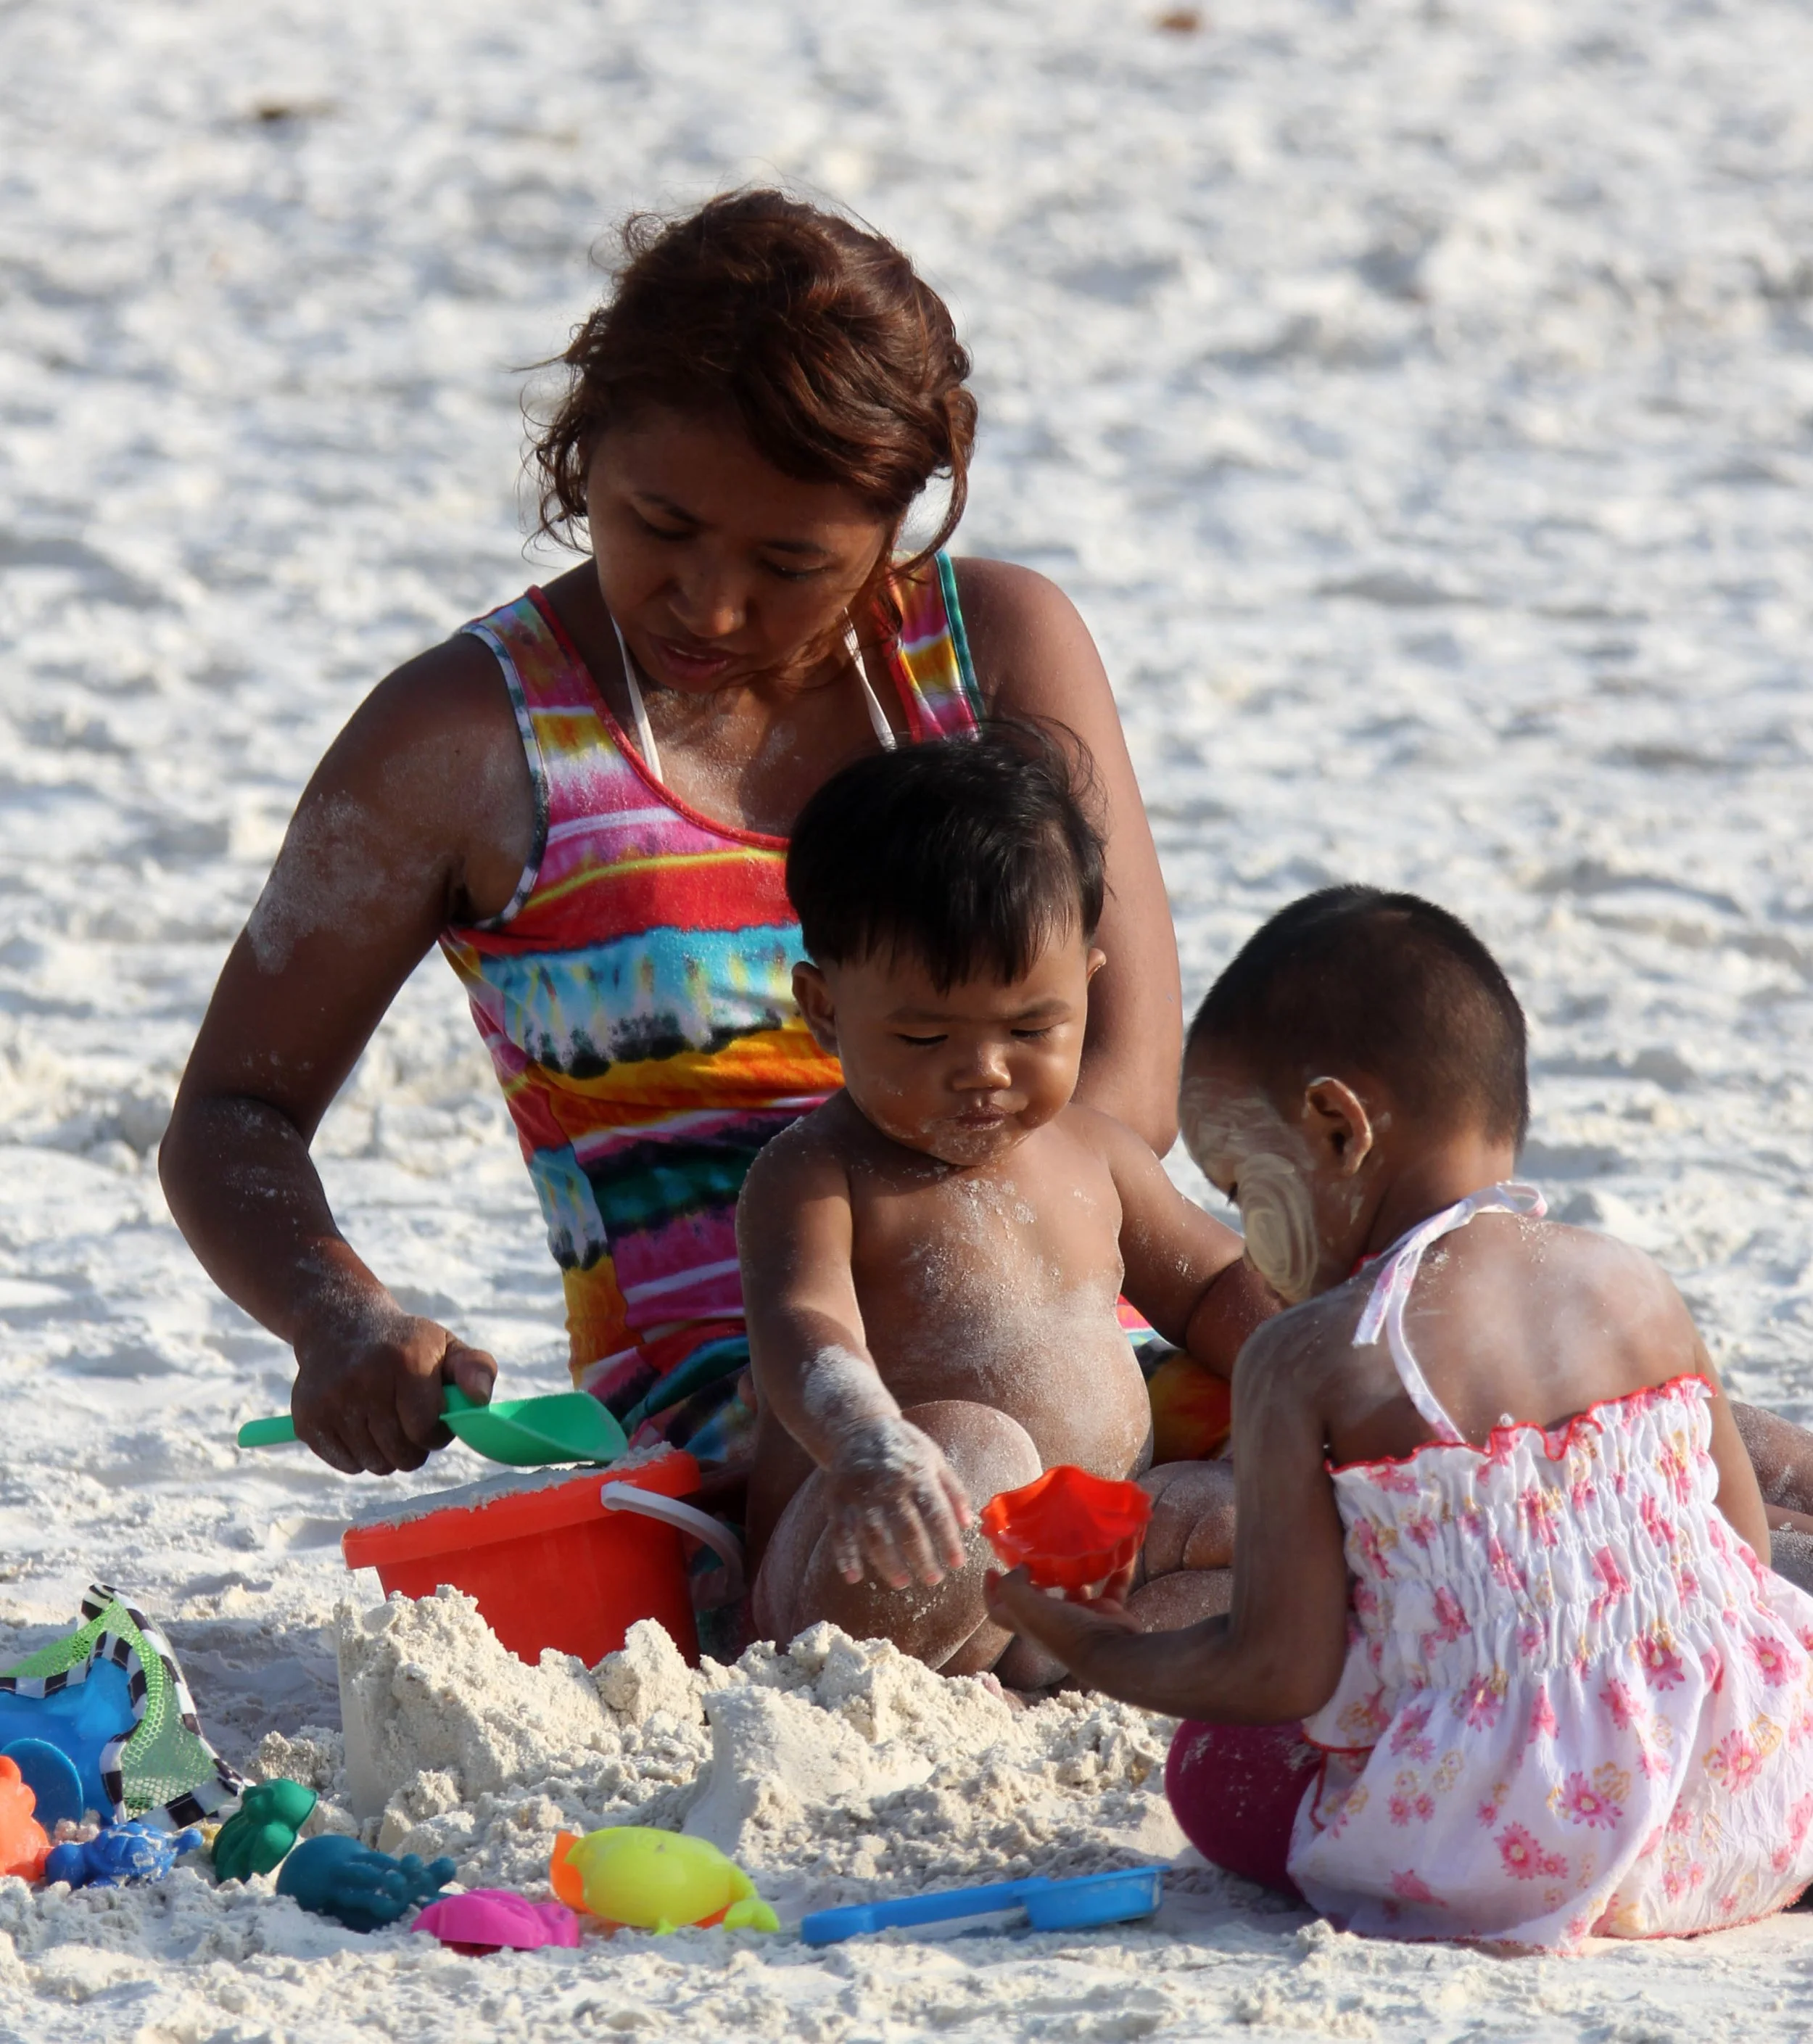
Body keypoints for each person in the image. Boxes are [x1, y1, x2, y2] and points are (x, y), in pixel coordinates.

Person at [158, 191, 1188, 1483]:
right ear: (582, 453)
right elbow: (232, 1114)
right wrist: (338, 1315)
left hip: (1064, 1332)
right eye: (661, 526)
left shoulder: (992, 655)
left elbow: (1126, 1086)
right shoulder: (468, 738)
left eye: (791, 562)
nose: (710, 602)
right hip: (746, 1425)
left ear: (899, 517)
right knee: (969, 1461)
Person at [987, 886, 1813, 1950]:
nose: (1246, 1229)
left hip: (1527, 1837)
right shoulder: (1635, 1283)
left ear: (1337, 1129)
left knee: (1215, 1770)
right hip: (1751, 1781)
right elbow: (1740, 1561)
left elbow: (1276, 1669)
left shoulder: (1309, 1357)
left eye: (1244, 1184)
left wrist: (1089, 1644)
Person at [740, 723, 1274, 1679]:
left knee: (1254, 1517)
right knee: (979, 1450)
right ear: (825, 1009)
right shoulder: (820, 1174)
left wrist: (1318, 1364)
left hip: (1087, 1573)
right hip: (890, 1562)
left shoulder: (1095, 1151)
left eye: (1032, 1026)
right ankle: (899, 1667)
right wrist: (867, 1439)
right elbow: (801, 1320)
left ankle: (1066, 1672)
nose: (983, 1071)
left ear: (1087, 986)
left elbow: (1213, 1287)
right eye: (922, 1038)